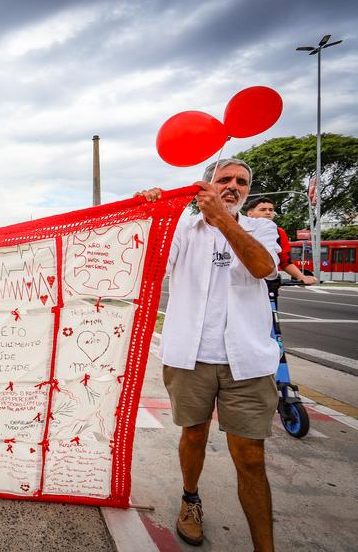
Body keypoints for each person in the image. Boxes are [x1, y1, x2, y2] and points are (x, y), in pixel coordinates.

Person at [137, 158, 280, 552]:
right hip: (191, 355)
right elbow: (150, 267)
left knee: (250, 455)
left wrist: (222, 220)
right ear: (206, 186)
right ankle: (190, 498)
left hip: (246, 361)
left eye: (242, 182)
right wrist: (150, 217)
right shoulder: (183, 228)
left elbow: (262, 267)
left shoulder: (260, 228)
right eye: (224, 179)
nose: (233, 186)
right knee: (193, 433)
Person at [246, 197, 317, 300]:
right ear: (250, 213)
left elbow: (285, 261)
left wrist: (302, 277)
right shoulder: (240, 228)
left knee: (270, 307)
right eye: (263, 210)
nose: (268, 212)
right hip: (242, 281)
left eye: (271, 210)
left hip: (268, 280)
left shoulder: (279, 232)